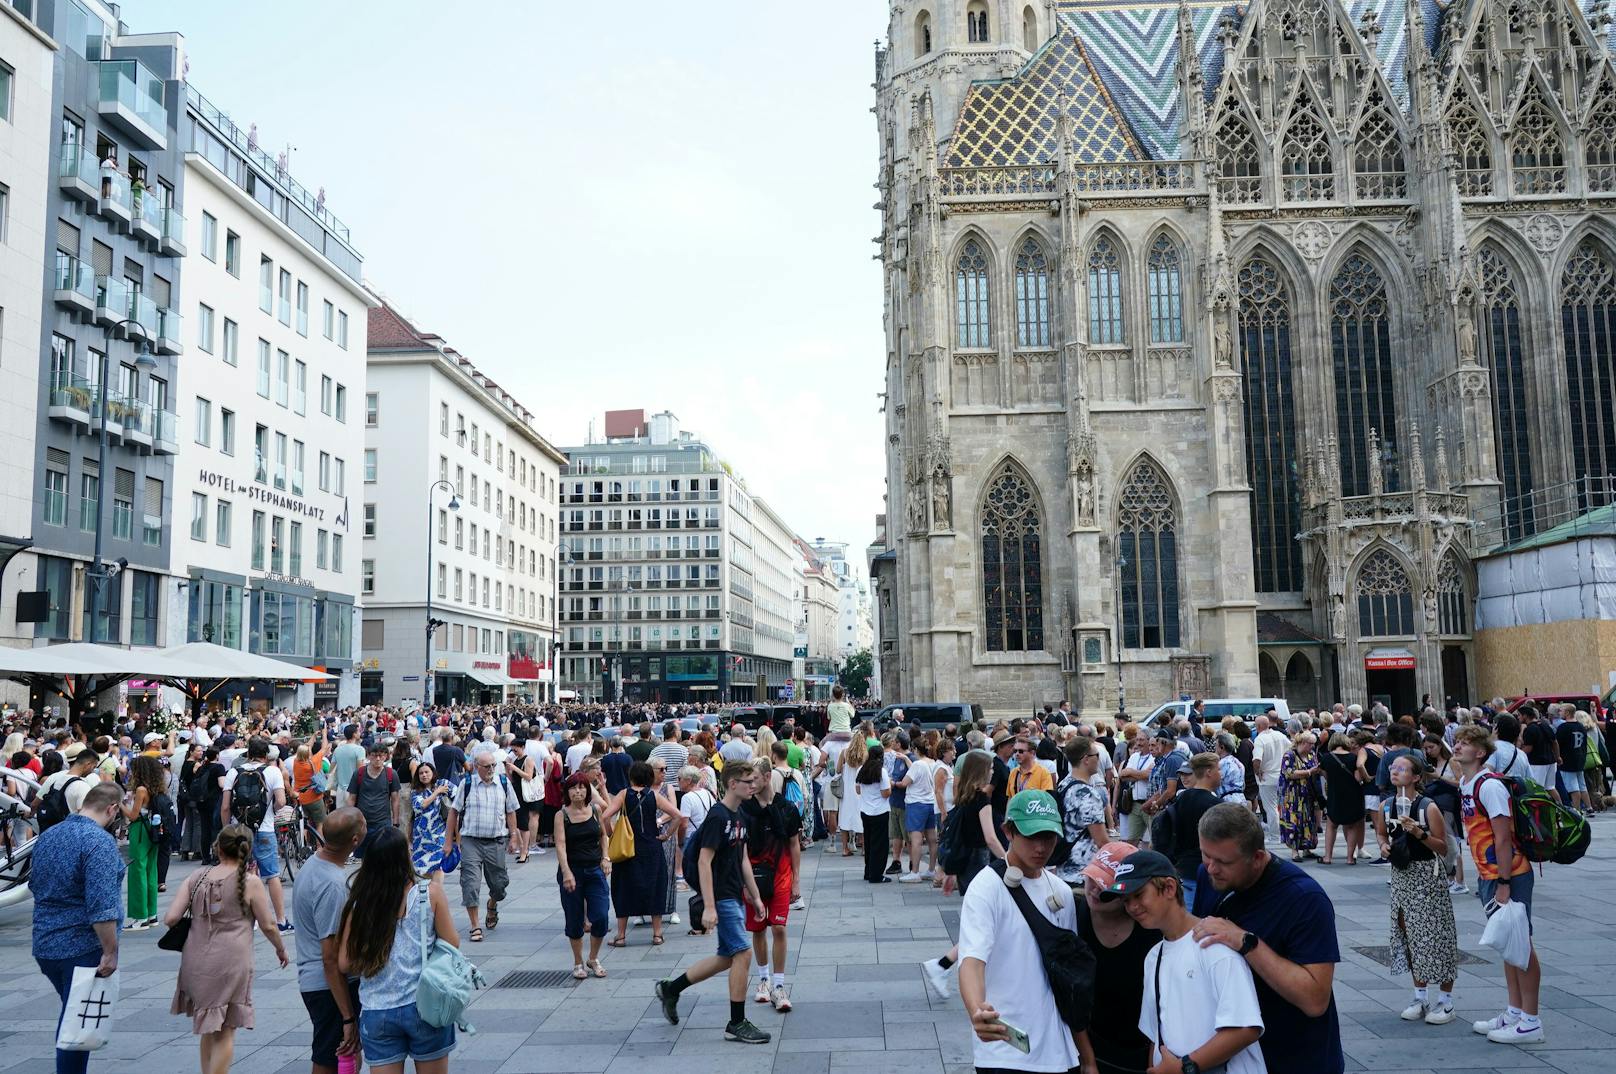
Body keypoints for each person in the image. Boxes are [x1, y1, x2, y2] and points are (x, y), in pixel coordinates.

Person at [1189, 803, 1344, 1074]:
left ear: (1258, 857)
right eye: (1205, 855)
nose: (1211, 868)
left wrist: (1246, 942)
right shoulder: (1210, 876)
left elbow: (1315, 1000)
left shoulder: (1305, 899)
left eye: (1223, 862)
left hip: (1297, 1058)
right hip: (1237, 1055)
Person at [958, 790, 1096, 1074]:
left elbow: (1069, 978)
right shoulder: (986, 887)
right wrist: (976, 1010)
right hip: (1006, 1050)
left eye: (1048, 836)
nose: (1041, 847)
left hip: (1059, 1051)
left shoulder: (1060, 891)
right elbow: (971, 959)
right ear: (1008, 831)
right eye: (1032, 836)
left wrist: (1087, 1056)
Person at [1100, 850, 1265, 1074]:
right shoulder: (1154, 956)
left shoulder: (1214, 944)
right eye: (1126, 901)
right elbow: (1156, 1037)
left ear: (1169, 888)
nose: (1132, 907)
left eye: (1138, 895)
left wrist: (1184, 1067)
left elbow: (1246, 1027)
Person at [654, 762, 772, 1045]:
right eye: (747, 781)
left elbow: (742, 859)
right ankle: (736, 1022)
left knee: (727, 958)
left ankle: (672, 988)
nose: (752, 785)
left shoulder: (739, 814)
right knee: (743, 954)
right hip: (721, 895)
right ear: (732, 784)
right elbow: (704, 861)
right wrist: (709, 905)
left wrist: (755, 896)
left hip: (734, 893)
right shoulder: (718, 816)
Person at [164, 823, 291, 1074]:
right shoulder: (250, 881)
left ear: (218, 848)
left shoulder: (197, 877)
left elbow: (170, 918)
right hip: (232, 961)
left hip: (196, 960)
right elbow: (268, 924)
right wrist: (280, 949)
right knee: (225, 1031)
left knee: (208, 1028)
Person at [338, 828, 459, 1073]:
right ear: (405, 856)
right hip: (425, 1005)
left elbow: (344, 964)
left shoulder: (359, 904)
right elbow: (452, 943)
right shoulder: (429, 893)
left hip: (377, 1010)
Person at [1452, 724, 1544, 1044]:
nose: (1458, 746)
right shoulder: (1466, 783)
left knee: (1522, 944)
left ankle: (1531, 1021)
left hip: (1510, 873)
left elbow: (1503, 838)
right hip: (1490, 875)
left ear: (1480, 752)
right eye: (1457, 741)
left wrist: (1504, 881)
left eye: (1465, 743)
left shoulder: (1489, 786)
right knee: (1508, 944)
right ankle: (1515, 1012)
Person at [30, 781, 123, 1074]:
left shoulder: (49, 835)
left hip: (45, 941)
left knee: (74, 1016)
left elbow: (34, 884)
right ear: (112, 809)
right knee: (77, 1025)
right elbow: (102, 905)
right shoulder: (99, 842)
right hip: (81, 945)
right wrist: (110, 951)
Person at [1381, 753, 1459, 1025]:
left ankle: (1446, 1001)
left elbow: (1442, 846)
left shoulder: (1428, 807)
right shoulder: (1386, 805)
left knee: (1437, 934)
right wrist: (1382, 845)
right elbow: (1381, 833)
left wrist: (1419, 833)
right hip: (1402, 875)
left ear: (1416, 777)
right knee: (1409, 933)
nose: (1395, 771)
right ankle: (1420, 995)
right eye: (1393, 768)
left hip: (1427, 875)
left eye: (1402, 769)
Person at [293, 808, 368, 1074]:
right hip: (329, 988)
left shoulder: (314, 865)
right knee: (332, 1056)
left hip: (321, 983)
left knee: (343, 1055)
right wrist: (348, 1016)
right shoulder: (332, 885)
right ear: (356, 841)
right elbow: (330, 956)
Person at [1076, 842, 1159, 1074]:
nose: (1093, 890)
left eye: (1104, 887)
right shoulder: (1072, 914)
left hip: (1139, 1049)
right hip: (1087, 1041)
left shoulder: (1151, 930)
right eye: (1091, 878)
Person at [602, 760, 682, 946]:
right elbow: (677, 815)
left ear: (631, 777)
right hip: (651, 849)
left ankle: (621, 936)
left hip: (627, 851)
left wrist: (611, 834)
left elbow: (605, 816)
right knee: (655, 888)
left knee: (623, 889)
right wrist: (667, 835)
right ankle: (657, 934)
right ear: (649, 777)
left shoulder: (623, 794)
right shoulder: (654, 796)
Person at [742, 758, 799, 1011]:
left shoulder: (786, 808)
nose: (750, 784)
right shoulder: (744, 809)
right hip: (753, 877)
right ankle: (763, 979)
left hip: (781, 875)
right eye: (747, 780)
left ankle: (778, 984)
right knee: (758, 930)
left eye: (754, 779)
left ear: (767, 777)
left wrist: (797, 880)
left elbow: (794, 844)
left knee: (778, 928)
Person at [220, 738, 293, 933]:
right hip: (264, 828)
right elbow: (280, 800)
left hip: (239, 830)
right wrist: (272, 812)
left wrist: (225, 829)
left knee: (245, 873)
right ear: (266, 755)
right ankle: (280, 920)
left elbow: (226, 806)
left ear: (248, 754)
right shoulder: (273, 771)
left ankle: (247, 920)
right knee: (272, 876)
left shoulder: (234, 772)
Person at [445, 748, 519, 942]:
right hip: (471, 841)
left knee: (499, 884)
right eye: (487, 766)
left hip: (496, 841)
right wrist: (448, 842)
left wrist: (513, 836)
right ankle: (475, 925)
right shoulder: (466, 784)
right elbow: (454, 812)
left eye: (494, 765)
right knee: (470, 883)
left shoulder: (503, 783)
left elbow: (511, 811)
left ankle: (492, 904)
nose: (491, 769)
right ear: (477, 767)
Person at [555, 772, 611, 980]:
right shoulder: (562, 815)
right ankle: (578, 961)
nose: (578, 791)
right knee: (575, 918)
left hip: (595, 870)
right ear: (567, 792)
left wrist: (606, 857)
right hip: (573, 871)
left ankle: (593, 958)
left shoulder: (595, 810)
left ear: (588, 790)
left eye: (581, 787)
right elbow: (560, 845)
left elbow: (603, 836)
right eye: (573, 788)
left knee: (601, 916)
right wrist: (567, 872)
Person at [1155, 753, 1221, 909]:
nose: (1221, 774)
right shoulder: (1215, 805)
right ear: (1209, 772)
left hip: (1182, 869)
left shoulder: (1180, 800)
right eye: (1218, 769)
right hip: (1207, 872)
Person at [1052, 737, 1109, 886]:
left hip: (1062, 869)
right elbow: (1102, 841)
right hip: (1082, 873)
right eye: (1097, 755)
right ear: (1086, 759)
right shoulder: (1088, 794)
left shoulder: (1063, 784)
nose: (1098, 759)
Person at [119, 754, 166, 929]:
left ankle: (140, 917)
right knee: (151, 871)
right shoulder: (157, 788)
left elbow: (133, 815)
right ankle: (151, 914)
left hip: (140, 830)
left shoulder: (140, 790)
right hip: (154, 830)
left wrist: (120, 804)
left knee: (137, 872)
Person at [1316, 733, 1367, 865]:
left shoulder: (1326, 758)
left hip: (1335, 794)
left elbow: (1326, 776)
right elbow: (1358, 778)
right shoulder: (1353, 758)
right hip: (1353, 795)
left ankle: (1327, 857)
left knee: (1331, 825)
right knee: (1352, 826)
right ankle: (1350, 858)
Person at [349, 742, 403, 858]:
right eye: (374, 755)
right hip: (362, 823)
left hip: (383, 823)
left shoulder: (391, 774)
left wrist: (396, 821)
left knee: (384, 856)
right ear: (368, 756)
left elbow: (395, 799)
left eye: (381, 755)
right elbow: (351, 798)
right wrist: (350, 821)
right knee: (365, 857)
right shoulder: (359, 774)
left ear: (386, 756)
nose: (378, 759)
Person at [897, 735, 940, 881]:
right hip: (930, 803)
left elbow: (905, 782)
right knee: (932, 839)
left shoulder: (917, 765)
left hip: (916, 803)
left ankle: (914, 872)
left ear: (915, 749)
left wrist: (893, 783)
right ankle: (931, 869)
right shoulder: (933, 763)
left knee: (916, 839)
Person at [854, 739, 893, 883]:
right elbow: (885, 793)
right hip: (880, 811)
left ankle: (868, 871)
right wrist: (891, 787)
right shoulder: (881, 772)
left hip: (865, 810)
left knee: (869, 842)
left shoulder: (861, 769)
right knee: (880, 844)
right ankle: (876, 874)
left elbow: (857, 790)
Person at [1277, 732, 1321, 861]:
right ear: (1302, 742)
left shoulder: (1311, 755)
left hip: (1308, 794)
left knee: (1308, 821)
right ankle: (1294, 851)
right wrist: (1308, 772)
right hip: (1292, 796)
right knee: (1294, 821)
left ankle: (1307, 849)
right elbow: (1289, 773)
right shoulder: (1289, 755)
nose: (1312, 747)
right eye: (1310, 744)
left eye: (1314, 744)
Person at [408, 762, 451, 877]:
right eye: (421, 773)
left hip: (438, 836)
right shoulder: (415, 791)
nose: (424, 775)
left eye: (427, 772)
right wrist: (437, 792)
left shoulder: (443, 784)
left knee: (437, 868)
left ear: (433, 773)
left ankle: (435, 892)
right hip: (421, 839)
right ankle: (426, 893)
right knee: (421, 872)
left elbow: (458, 794)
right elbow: (421, 805)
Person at [1252, 716, 1288, 836]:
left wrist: (1257, 771)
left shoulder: (1260, 739)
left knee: (1271, 808)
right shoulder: (1280, 735)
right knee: (1281, 806)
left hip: (1267, 777)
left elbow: (1257, 759)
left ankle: (1275, 835)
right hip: (1282, 776)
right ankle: (1285, 832)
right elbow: (1291, 749)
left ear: (1258, 726)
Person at [330, 726, 366, 811]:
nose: (360, 733)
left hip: (340, 789)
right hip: (354, 790)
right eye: (358, 731)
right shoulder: (360, 749)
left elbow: (331, 769)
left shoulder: (337, 750)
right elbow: (360, 771)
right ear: (354, 734)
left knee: (341, 817)